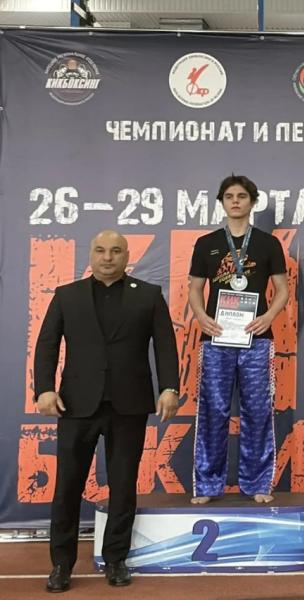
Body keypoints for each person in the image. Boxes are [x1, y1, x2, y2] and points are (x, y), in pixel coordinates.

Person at [34, 230, 179, 592]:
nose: (108, 257)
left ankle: (116, 559)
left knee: (123, 485)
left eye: (115, 251)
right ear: (92, 254)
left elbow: (165, 344)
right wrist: (45, 389)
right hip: (75, 404)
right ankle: (61, 564)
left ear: (127, 256)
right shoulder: (67, 295)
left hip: (129, 404)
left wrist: (169, 388)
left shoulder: (148, 295)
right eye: (100, 250)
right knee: (67, 486)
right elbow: (47, 343)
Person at [189, 174, 289, 505]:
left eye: (242, 196)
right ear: (221, 202)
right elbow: (194, 289)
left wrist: (269, 316)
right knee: (213, 409)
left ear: (252, 202)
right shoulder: (206, 243)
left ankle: (258, 483)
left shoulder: (268, 244)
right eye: (229, 196)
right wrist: (201, 316)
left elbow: (282, 289)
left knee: (258, 411)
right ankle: (207, 485)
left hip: (256, 338)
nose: (235, 201)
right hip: (216, 337)